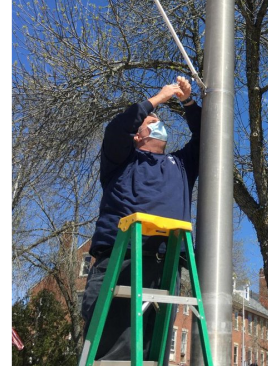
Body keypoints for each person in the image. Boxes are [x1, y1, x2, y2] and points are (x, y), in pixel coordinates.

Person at [79, 76, 201, 362]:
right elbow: (117, 128)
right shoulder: (122, 160)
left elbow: (208, 137)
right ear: (137, 135)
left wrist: (188, 102)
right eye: (150, 119)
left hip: (164, 266)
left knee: (152, 352)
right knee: (113, 352)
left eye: (158, 118)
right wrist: (159, 98)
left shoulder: (181, 164)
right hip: (120, 263)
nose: (157, 120)